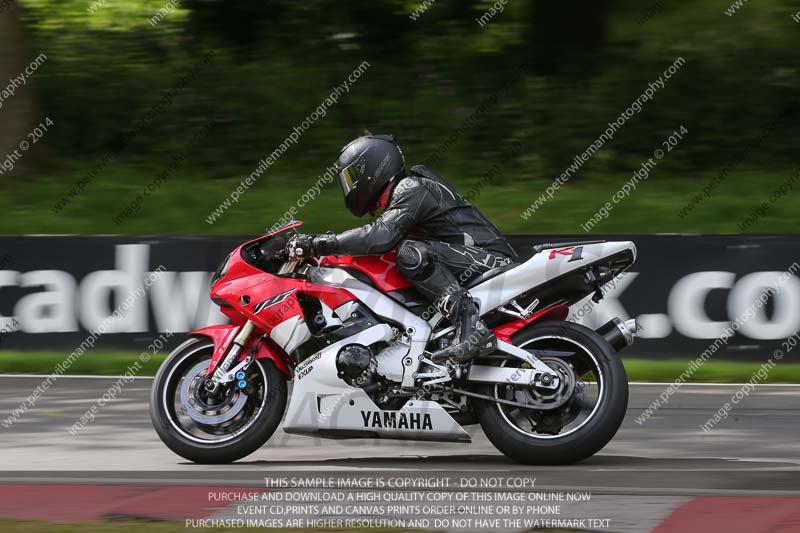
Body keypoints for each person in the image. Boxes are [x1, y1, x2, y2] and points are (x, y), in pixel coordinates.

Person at [284, 134, 518, 363]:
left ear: (374, 167)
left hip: (492, 261)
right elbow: (374, 239)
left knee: (410, 253)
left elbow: (378, 237)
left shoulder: (411, 187)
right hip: (472, 262)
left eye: (354, 175)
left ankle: (471, 325)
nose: (351, 185)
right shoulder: (400, 200)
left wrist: (316, 244)